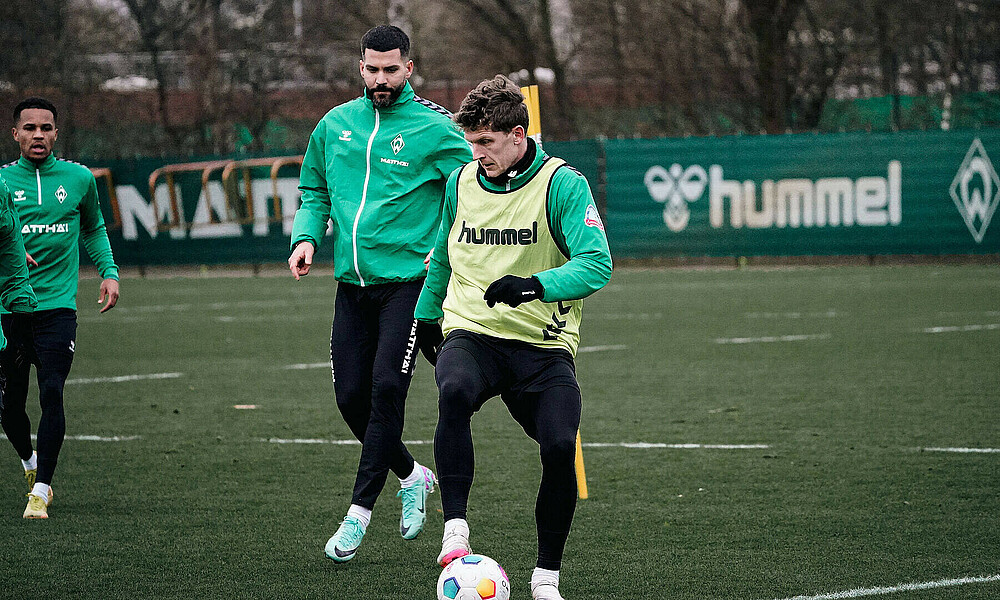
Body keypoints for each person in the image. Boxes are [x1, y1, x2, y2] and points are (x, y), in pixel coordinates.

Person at [413, 75, 613, 600]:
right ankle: (455, 526)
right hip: (473, 331)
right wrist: (427, 318)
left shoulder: (563, 184)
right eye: (471, 142)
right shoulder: (460, 183)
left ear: (518, 134)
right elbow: (443, 256)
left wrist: (534, 286)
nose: (476, 153)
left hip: (543, 345)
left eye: (487, 143)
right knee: (452, 390)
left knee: (557, 445)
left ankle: (546, 577)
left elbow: (597, 265)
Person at [287, 25, 472, 562]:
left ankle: (358, 511)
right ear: (360, 67)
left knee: (388, 387)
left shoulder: (436, 128)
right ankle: (412, 476)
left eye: (391, 70)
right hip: (352, 286)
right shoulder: (335, 124)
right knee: (351, 399)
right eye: (372, 69)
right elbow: (314, 189)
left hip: (410, 285)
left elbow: (475, 187)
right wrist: (305, 237)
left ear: (409, 69)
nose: (380, 79)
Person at [0, 97, 120, 519]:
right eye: (29, 128)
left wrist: (109, 272)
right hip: (8, 311)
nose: (38, 135)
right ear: (15, 133)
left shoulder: (79, 179)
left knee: (52, 391)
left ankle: (43, 489)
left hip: (56, 310)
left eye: (45, 128)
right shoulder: (0, 184)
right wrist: (12, 252)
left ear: (56, 133)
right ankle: (30, 464)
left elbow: (94, 226)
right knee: (9, 406)